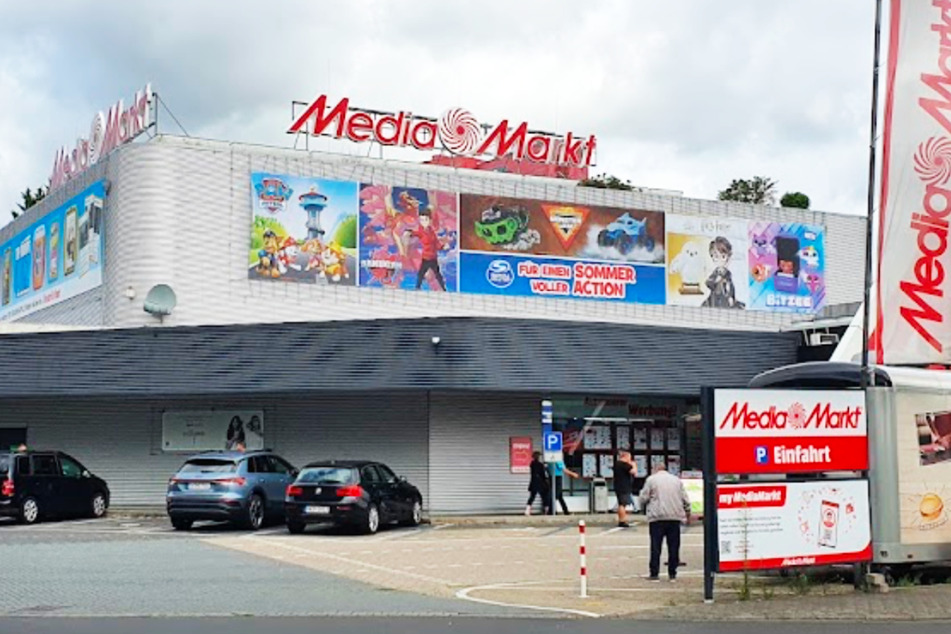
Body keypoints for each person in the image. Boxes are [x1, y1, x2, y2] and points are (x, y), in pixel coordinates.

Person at [638, 463, 691, 582]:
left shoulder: (651, 480)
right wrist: (687, 513)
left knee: (656, 546)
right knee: (674, 546)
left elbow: (643, 497)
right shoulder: (676, 480)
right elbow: (685, 499)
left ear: (655, 469)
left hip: (657, 517)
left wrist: (642, 509)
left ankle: (654, 573)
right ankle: (672, 573)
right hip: (674, 516)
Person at [405, 208, 447, 291]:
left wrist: (442, 247)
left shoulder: (431, 231)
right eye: (421, 219)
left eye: (425, 219)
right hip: (426, 258)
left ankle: (443, 289)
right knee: (421, 274)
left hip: (433, 258)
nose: (423, 222)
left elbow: (436, 243)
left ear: (430, 220)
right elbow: (415, 233)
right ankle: (417, 288)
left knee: (437, 274)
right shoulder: (421, 232)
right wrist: (409, 233)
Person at [613, 450, 637, 528]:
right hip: (624, 486)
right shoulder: (624, 465)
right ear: (625, 456)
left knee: (621, 503)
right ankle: (623, 521)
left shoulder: (617, 464)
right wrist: (634, 464)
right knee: (623, 504)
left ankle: (621, 519)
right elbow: (634, 472)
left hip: (618, 485)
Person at [525, 451, 550, 516]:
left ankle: (527, 510)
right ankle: (546, 510)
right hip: (541, 483)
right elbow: (543, 475)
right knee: (544, 497)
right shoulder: (540, 465)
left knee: (532, 496)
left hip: (533, 483)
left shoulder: (532, 464)